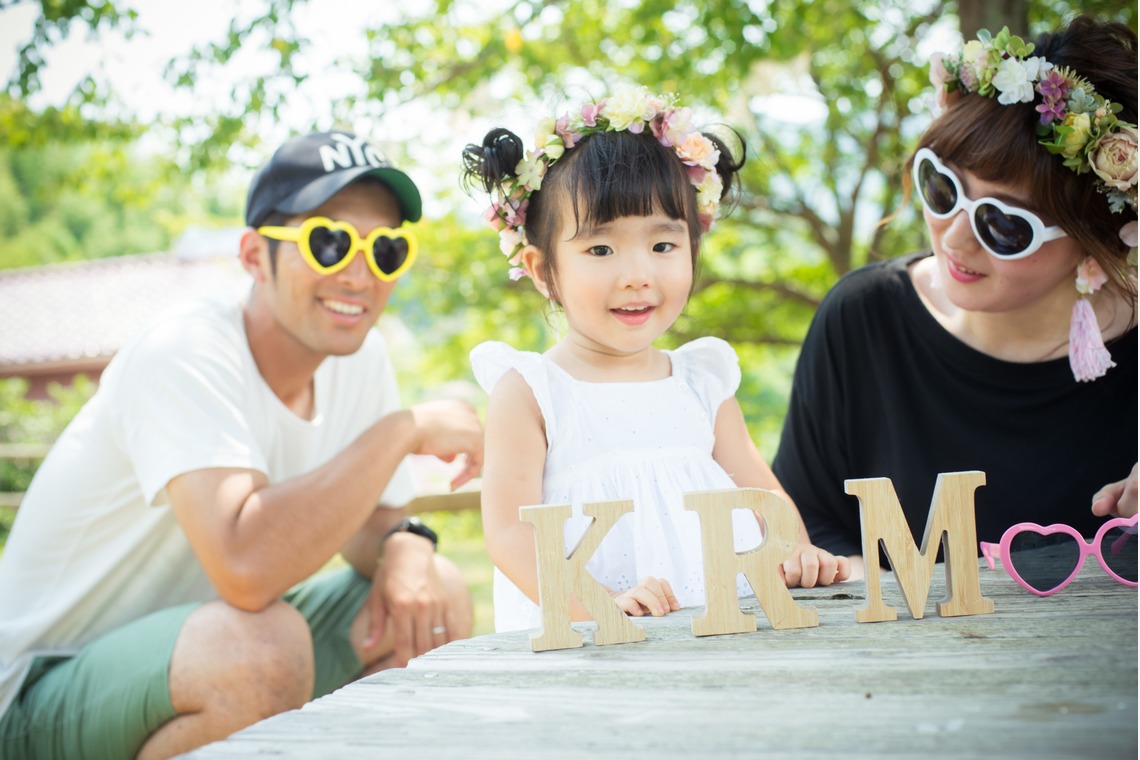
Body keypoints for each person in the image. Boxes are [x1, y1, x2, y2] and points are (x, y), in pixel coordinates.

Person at [0, 130, 484, 759]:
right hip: (39, 688)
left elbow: (375, 526)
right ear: (255, 256)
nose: (360, 273)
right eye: (329, 242)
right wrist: (402, 430)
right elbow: (246, 569)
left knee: (436, 593)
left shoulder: (360, 359)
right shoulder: (186, 350)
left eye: (386, 249)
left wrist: (407, 545)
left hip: (198, 649)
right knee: (260, 646)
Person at [461, 87, 851, 633]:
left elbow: (764, 495)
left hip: (718, 629)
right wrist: (599, 607)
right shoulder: (532, 391)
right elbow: (509, 533)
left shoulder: (700, 381)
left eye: (663, 246)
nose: (638, 275)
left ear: (693, 248)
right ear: (543, 270)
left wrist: (795, 548)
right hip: (595, 640)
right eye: (601, 249)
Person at [772, 17, 1138, 581]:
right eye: (942, 188)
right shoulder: (865, 316)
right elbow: (809, 521)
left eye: (1006, 224)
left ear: (1096, 240)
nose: (955, 238)